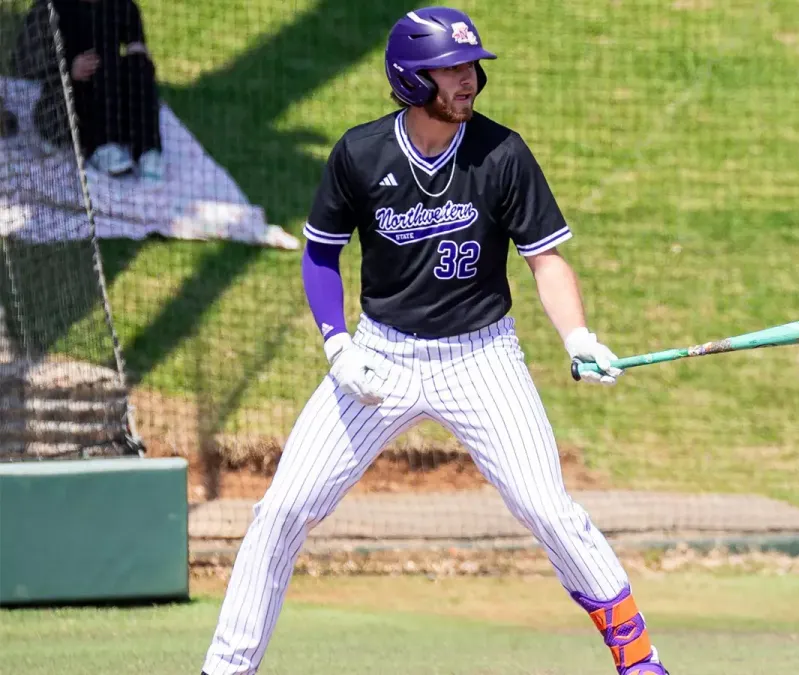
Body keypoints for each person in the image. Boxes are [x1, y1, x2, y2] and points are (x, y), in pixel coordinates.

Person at [199, 7, 670, 675]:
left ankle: (641, 660)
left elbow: (546, 259)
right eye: (450, 68)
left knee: (548, 508)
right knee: (282, 509)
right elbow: (319, 255)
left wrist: (578, 335)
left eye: (470, 66)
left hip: (481, 357)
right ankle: (225, 667)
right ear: (410, 78)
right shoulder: (360, 153)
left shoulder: (503, 152)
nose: (468, 79)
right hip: (380, 356)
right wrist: (338, 344)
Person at [12, 0, 164, 180]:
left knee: (139, 64)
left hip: (111, 101)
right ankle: (101, 146)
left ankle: (148, 151)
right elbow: (22, 63)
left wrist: (138, 54)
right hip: (65, 112)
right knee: (100, 58)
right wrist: (69, 68)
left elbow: (136, 42)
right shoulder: (50, 7)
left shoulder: (120, 6)